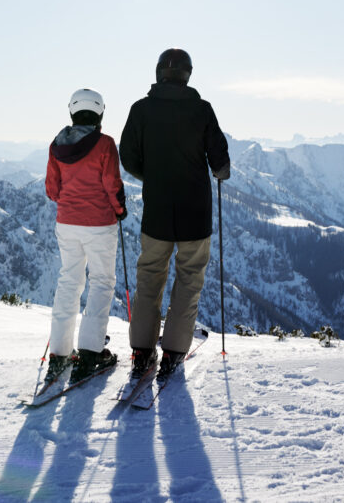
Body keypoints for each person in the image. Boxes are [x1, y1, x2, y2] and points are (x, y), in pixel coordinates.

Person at [119, 48, 230, 380]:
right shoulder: (202, 110)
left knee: (149, 278)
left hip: (157, 212)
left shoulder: (140, 110)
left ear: (159, 73)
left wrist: (151, 175)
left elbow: (127, 157)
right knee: (189, 279)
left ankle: (141, 350)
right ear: (188, 74)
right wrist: (217, 171)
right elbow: (221, 165)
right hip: (196, 215)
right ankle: (174, 351)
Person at [44, 88, 127, 384]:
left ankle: (59, 353)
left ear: (72, 112)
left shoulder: (57, 144)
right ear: (100, 113)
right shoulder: (105, 144)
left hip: (66, 223)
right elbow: (111, 183)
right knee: (102, 283)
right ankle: (91, 353)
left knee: (69, 281)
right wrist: (120, 209)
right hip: (100, 224)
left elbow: (52, 190)